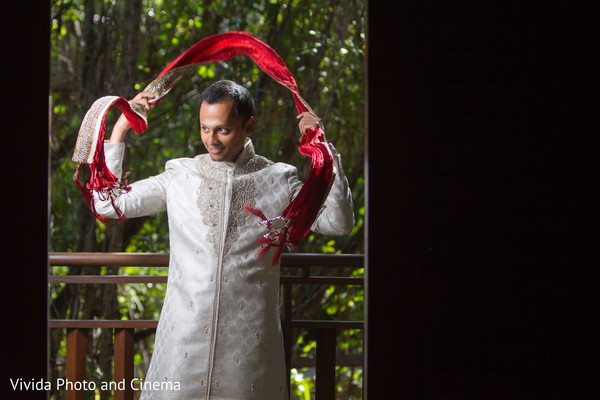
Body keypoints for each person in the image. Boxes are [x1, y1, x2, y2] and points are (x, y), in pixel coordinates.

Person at [94, 80, 354, 399]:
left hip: (249, 346)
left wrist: (324, 150)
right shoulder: (181, 175)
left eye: (222, 130)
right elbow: (108, 203)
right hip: (183, 340)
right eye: (204, 129)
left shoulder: (279, 180)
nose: (211, 141)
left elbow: (337, 222)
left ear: (249, 126)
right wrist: (120, 129)